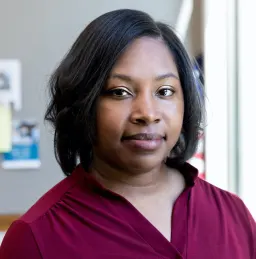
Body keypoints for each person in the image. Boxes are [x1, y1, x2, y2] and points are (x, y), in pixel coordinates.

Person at [0, 9, 255, 259]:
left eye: (165, 91)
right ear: (83, 103)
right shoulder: (36, 238)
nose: (147, 113)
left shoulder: (233, 215)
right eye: (119, 92)